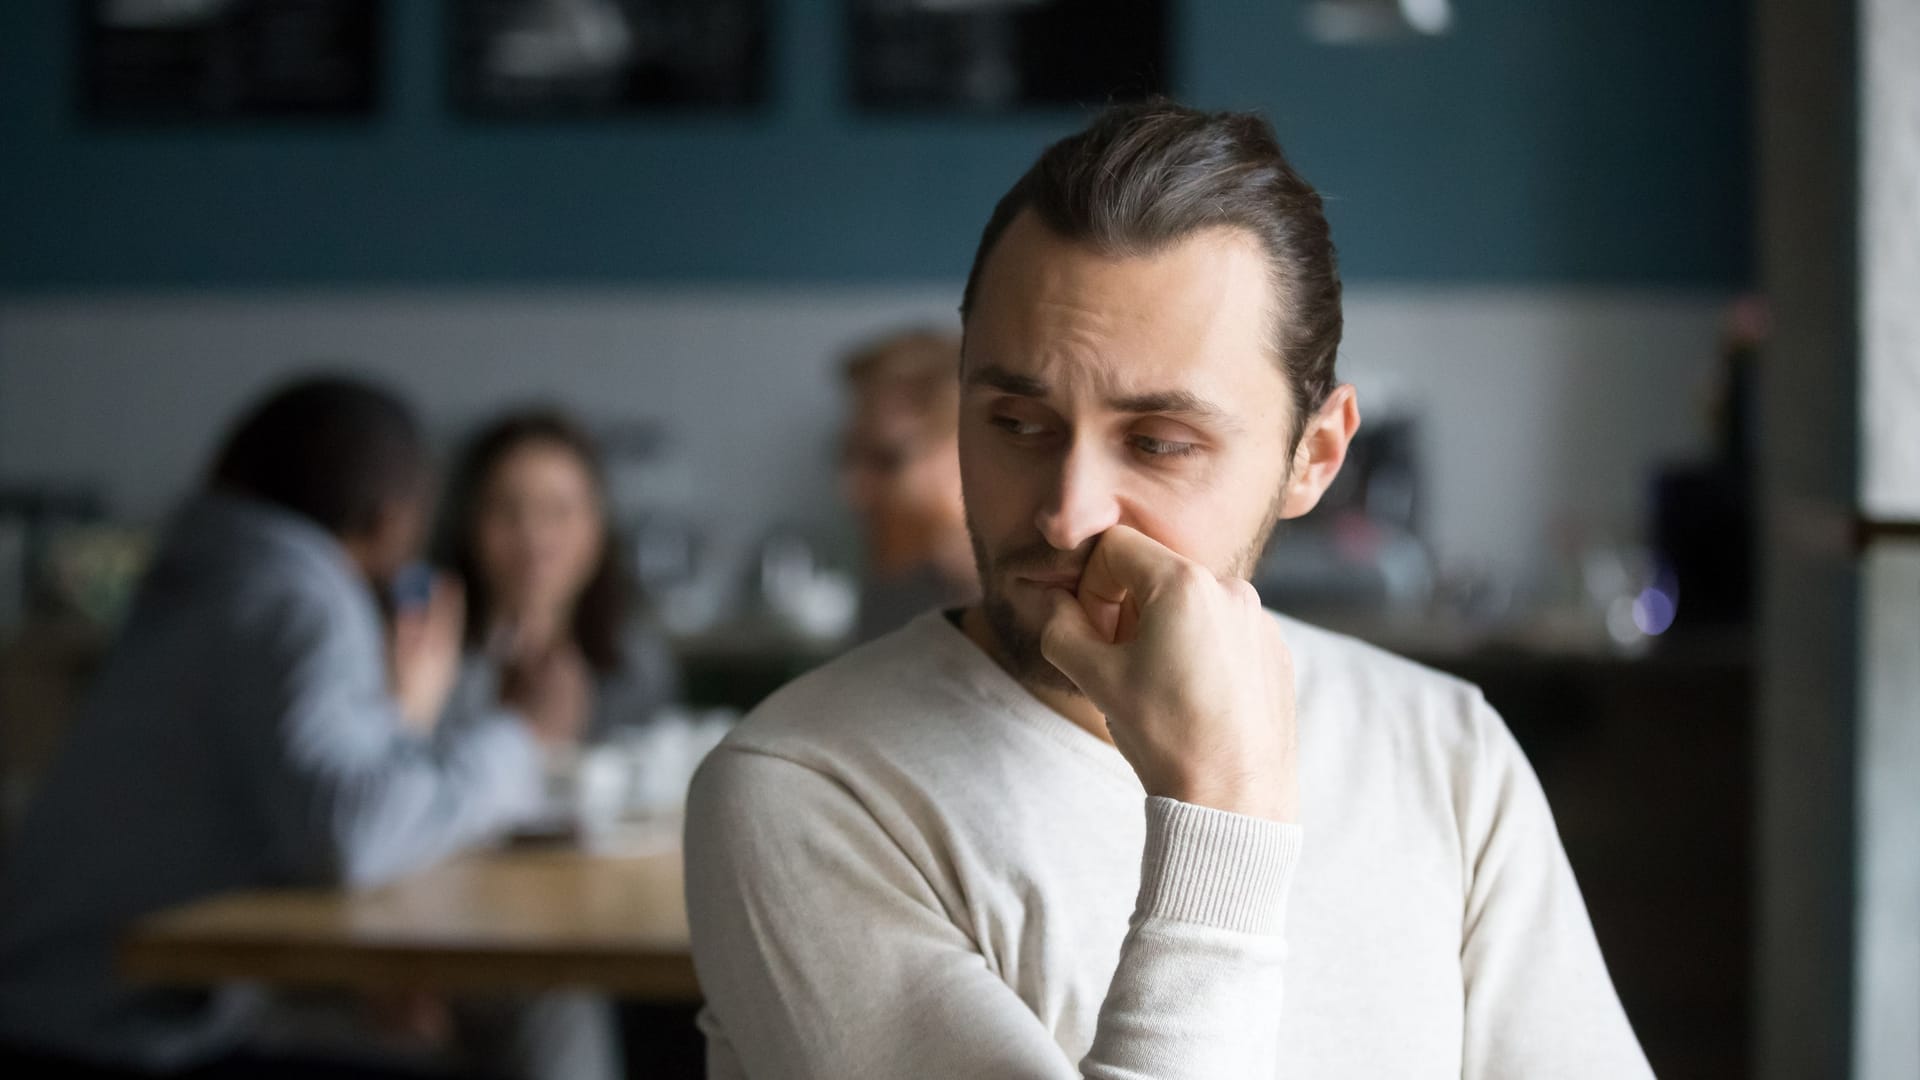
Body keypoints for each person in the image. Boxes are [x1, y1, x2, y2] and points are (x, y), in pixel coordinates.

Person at [685, 102, 1655, 1078]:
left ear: (1313, 456)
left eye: (1157, 444)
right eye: (1018, 424)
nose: (1067, 515)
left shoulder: (1449, 753)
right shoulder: (805, 788)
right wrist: (1222, 809)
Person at [0, 377, 574, 1078]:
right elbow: (347, 833)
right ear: (392, 519)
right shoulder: (297, 597)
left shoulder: (212, 578)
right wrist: (519, 732)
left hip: (56, 1006)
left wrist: (401, 716)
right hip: (116, 1037)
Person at [434, 408, 680, 746]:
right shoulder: (430, 655)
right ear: (469, 525)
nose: (534, 537)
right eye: (507, 510)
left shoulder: (636, 659)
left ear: (597, 528)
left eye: (558, 511)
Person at [836, 329, 979, 640]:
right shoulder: (894, 595)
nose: (853, 493)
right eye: (850, 458)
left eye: (887, 461)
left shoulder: (1041, 618)